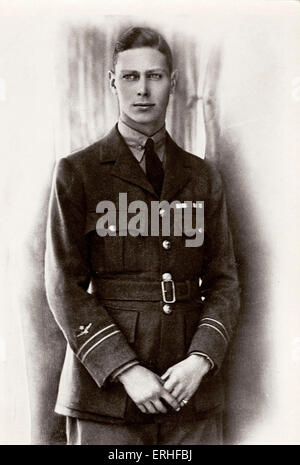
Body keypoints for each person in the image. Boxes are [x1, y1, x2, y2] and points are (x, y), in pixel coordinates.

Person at [45, 26, 240, 445]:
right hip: (106, 397)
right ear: (112, 82)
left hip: (190, 392)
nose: (143, 90)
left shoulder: (203, 177)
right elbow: (63, 284)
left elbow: (224, 279)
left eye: (155, 76)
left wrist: (201, 360)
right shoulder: (79, 172)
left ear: (173, 82)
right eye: (131, 77)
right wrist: (125, 369)